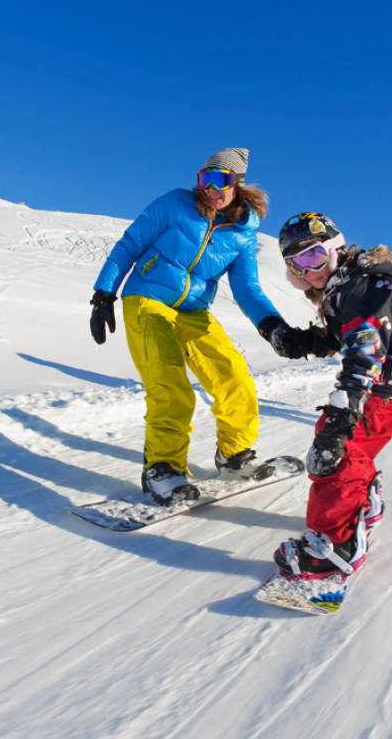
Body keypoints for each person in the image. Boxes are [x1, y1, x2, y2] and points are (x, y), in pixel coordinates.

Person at [89, 148, 282, 504]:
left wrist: (271, 324)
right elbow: (130, 243)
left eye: (219, 180)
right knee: (170, 384)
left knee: (234, 377)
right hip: (147, 300)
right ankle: (162, 468)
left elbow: (247, 288)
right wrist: (104, 292)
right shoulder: (175, 204)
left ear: (237, 184)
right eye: (204, 178)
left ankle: (234, 454)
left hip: (194, 311)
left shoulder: (242, 234)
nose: (209, 188)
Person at [257, 212, 392, 580]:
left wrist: (347, 404)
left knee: (336, 447)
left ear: (334, 249)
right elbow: (346, 334)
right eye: (297, 264)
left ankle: (335, 545)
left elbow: (367, 340)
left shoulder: (359, 284)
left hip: (389, 369)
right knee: (356, 445)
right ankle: (364, 502)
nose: (309, 271)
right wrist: (304, 341)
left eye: (314, 256)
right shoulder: (347, 285)